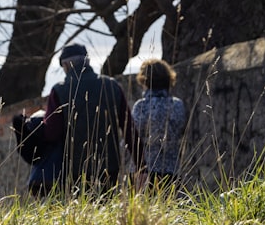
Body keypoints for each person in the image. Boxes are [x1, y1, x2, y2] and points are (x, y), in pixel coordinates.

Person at [40, 44, 144, 194]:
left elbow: (51, 133)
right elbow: (129, 129)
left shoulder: (60, 90)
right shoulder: (112, 86)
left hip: (73, 169)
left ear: (65, 65)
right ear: (87, 62)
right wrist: (141, 165)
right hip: (109, 165)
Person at [131, 58, 187, 190]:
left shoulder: (141, 106)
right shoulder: (177, 105)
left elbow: (134, 137)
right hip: (171, 169)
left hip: (144, 170)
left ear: (144, 80)